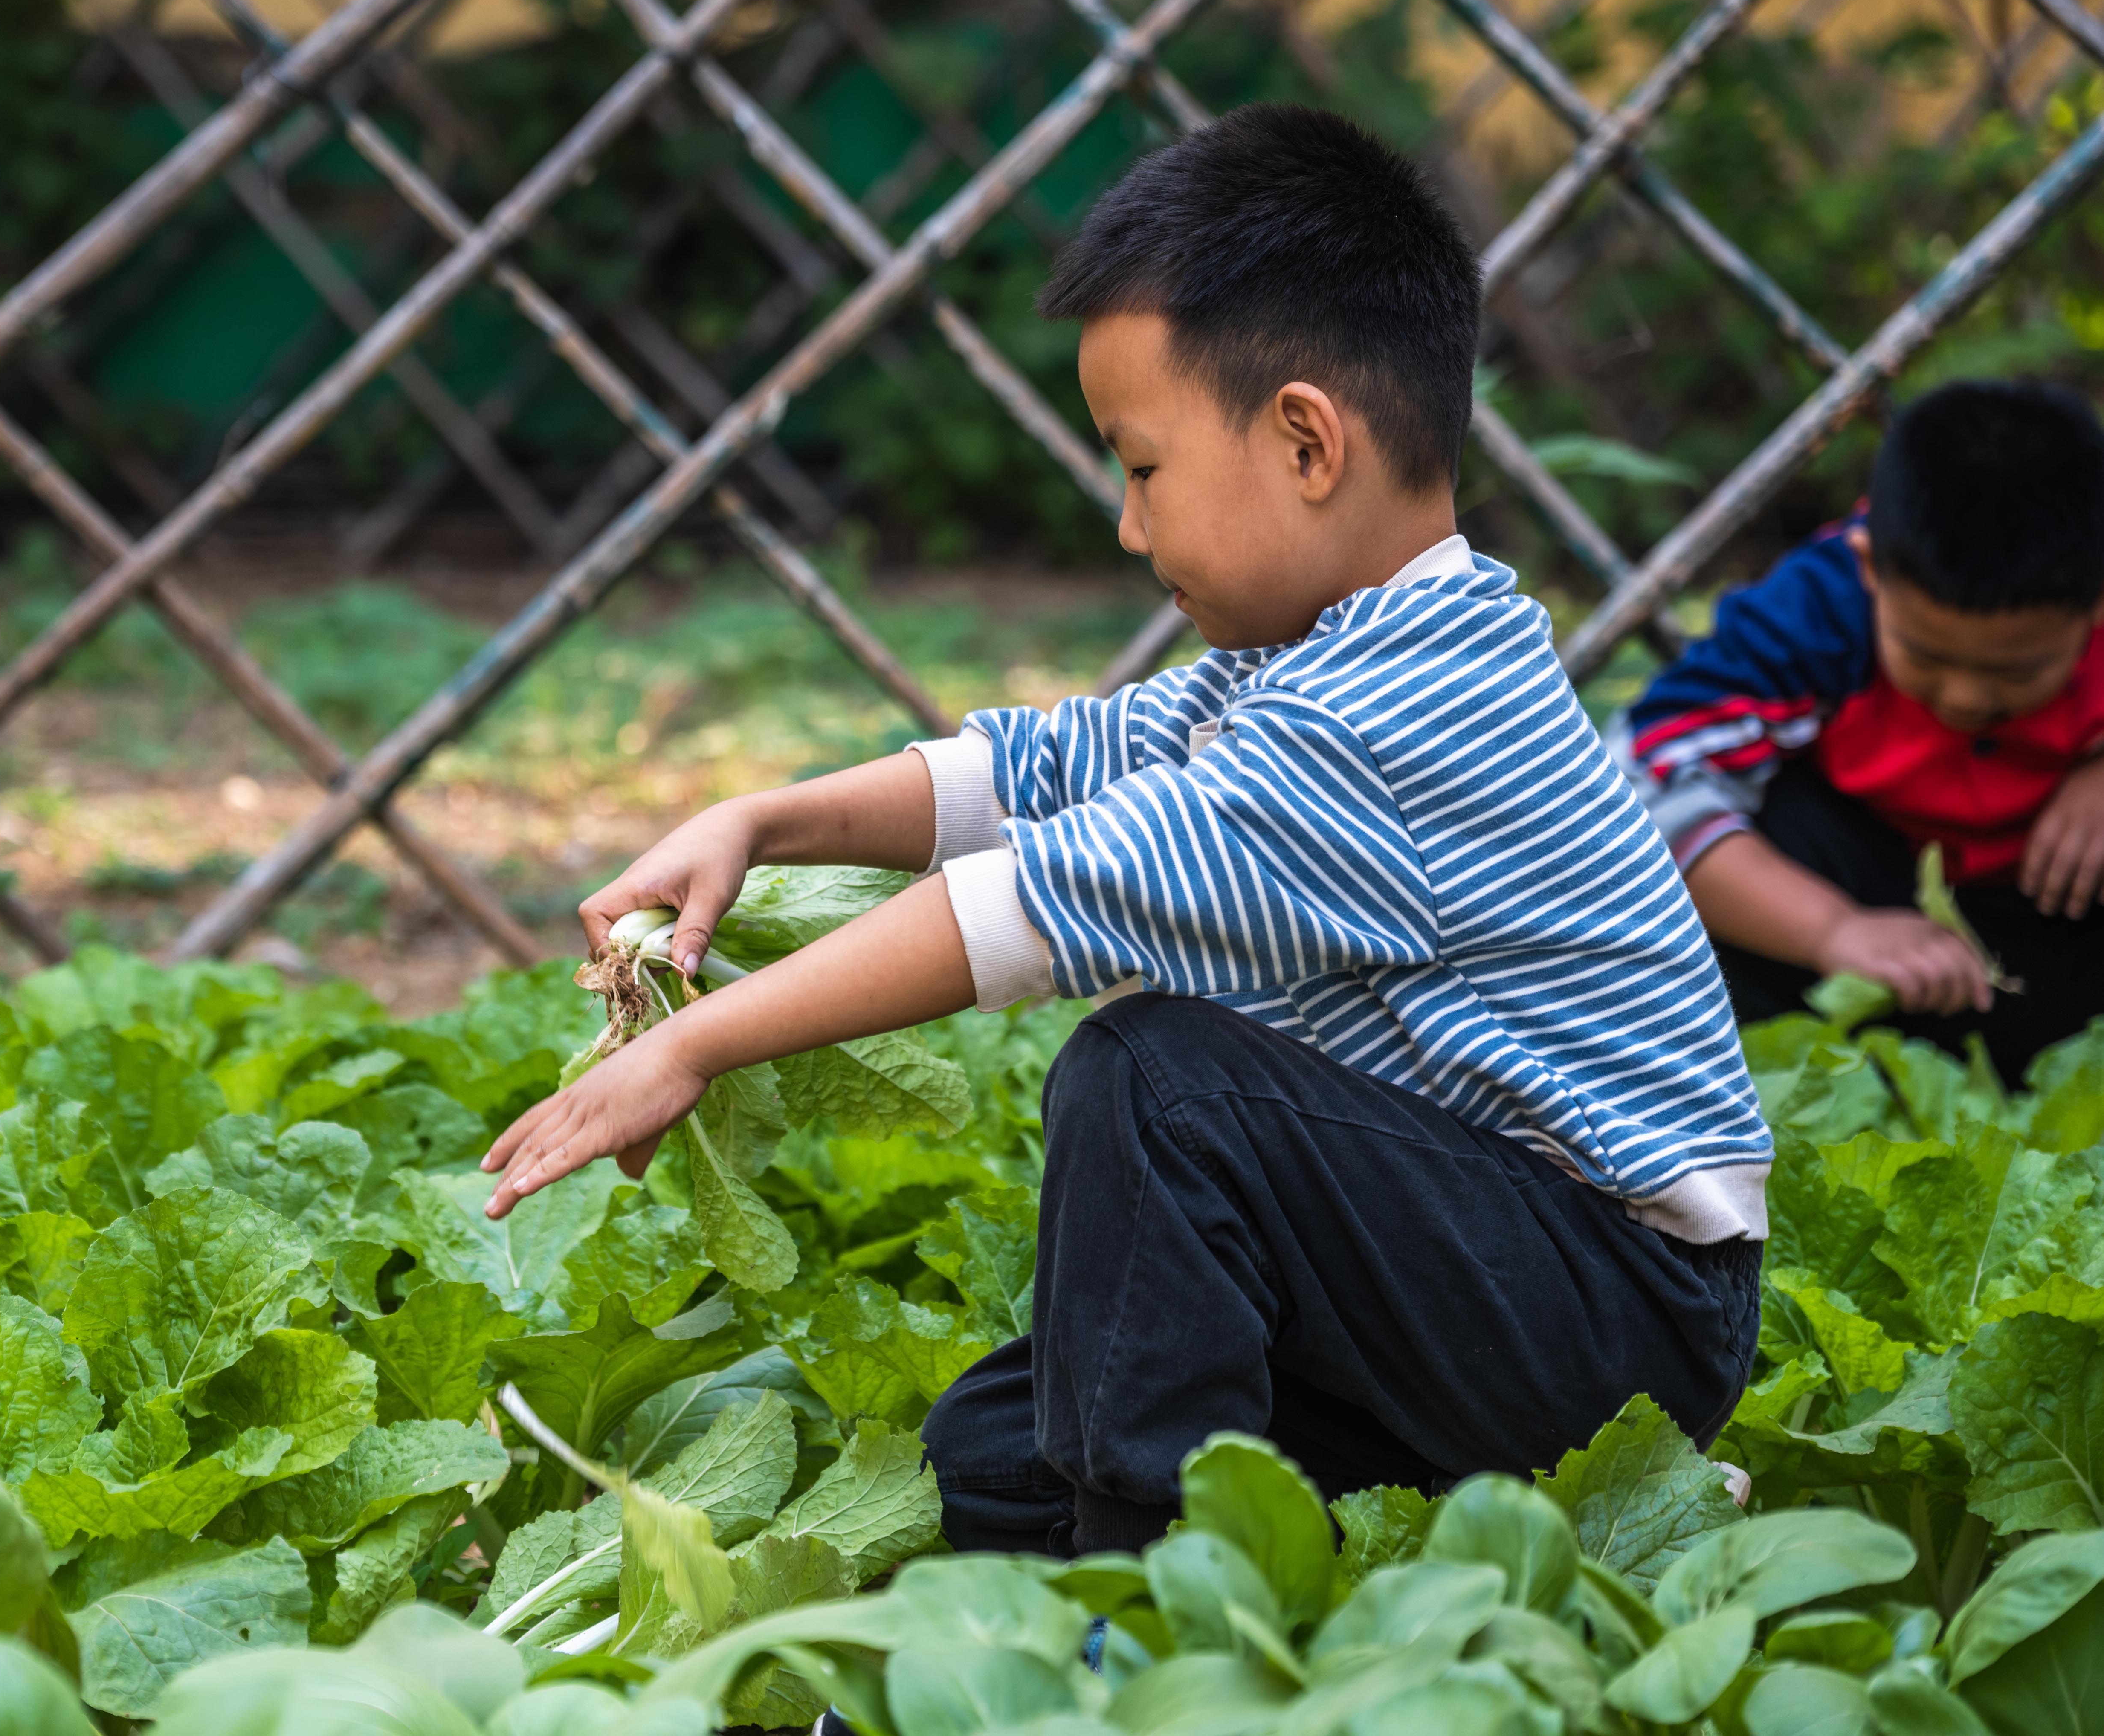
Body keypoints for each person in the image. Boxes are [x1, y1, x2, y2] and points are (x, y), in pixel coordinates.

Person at [479, 105, 1766, 1564]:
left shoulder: (1390, 715)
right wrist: (762, 822)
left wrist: (691, 1043)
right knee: (991, 1450)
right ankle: (1406, 1540)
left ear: (1304, 441)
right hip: (1463, 1280)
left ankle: (1146, 1611)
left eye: (1142, 468)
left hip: (1614, 1320)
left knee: (1159, 1078)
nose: (1128, 529)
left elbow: (1040, 899)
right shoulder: (1328, 655)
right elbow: (1055, 766)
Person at [1612, 381, 2104, 1084]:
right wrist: (1833, 928)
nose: (1965, 698)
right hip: (1872, 939)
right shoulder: (1815, 614)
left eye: (2018, 673)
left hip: (2062, 941)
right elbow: (1640, 784)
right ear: (1870, 567)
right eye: (1926, 657)